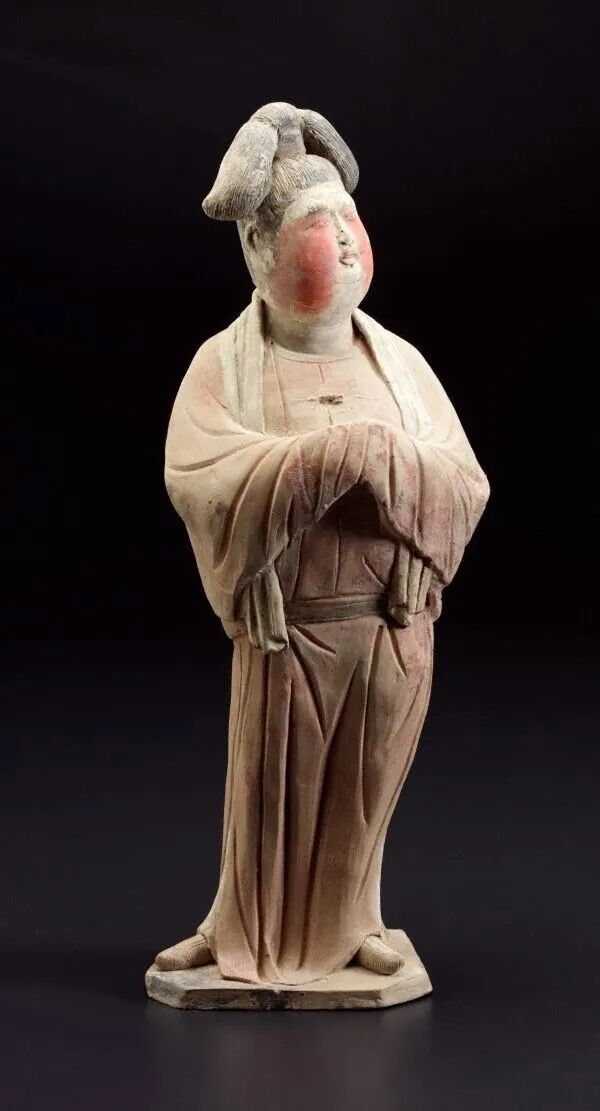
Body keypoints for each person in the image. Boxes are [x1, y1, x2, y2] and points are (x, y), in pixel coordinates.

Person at [155, 102, 490, 985]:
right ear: (259, 251)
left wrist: (394, 479)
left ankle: (353, 926)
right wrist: (322, 461)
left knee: (363, 791)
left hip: (387, 622)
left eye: (349, 217)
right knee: (271, 790)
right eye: (315, 221)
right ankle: (241, 929)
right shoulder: (224, 365)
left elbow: (462, 478)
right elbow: (202, 472)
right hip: (287, 627)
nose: (343, 238)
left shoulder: (401, 364)